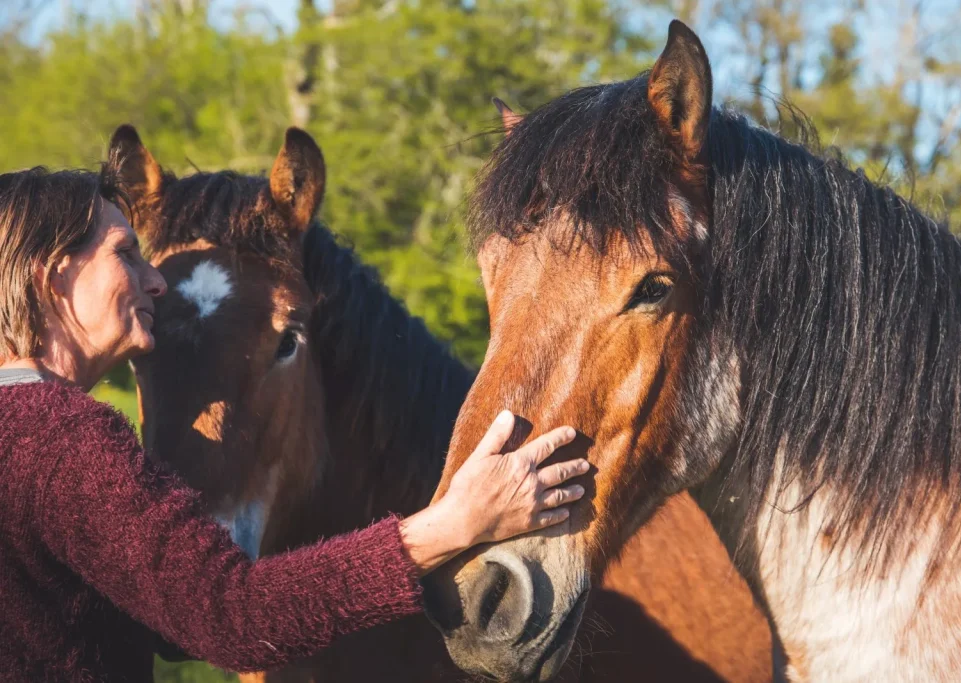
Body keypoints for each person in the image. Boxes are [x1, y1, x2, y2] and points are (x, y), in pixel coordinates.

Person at [0, 165, 590, 682]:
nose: (154, 278)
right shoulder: (59, 439)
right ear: (53, 276)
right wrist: (455, 523)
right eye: (125, 253)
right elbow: (233, 619)